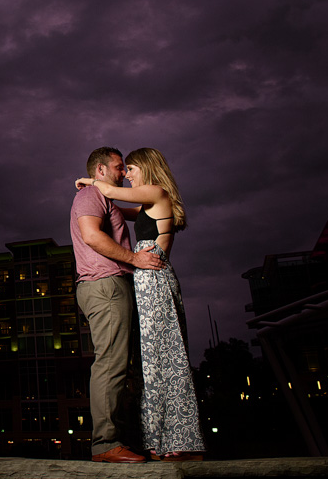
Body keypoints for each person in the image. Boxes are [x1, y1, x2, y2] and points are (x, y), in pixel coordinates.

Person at [76, 147, 205, 461]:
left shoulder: (156, 193)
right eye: (122, 168)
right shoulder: (140, 201)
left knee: (163, 356)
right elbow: (110, 211)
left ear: (147, 169)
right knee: (148, 362)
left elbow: (109, 192)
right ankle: (153, 440)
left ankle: (178, 442)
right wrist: (93, 184)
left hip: (152, 279)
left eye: (130, 168)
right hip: (138, 280)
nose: (126, 174)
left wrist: (90, 181)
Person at [70, 146, 164, 463]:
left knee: (122, 366)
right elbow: (91, 236)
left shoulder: (104, 196)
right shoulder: (89, 198)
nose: (123, 173)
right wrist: (134, 258)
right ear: (101, 170)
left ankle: (120, 439)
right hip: (105, 284)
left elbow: (145, 211)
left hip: (113, 285)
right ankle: (105, 444)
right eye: (118, 167)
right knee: (111, 363)